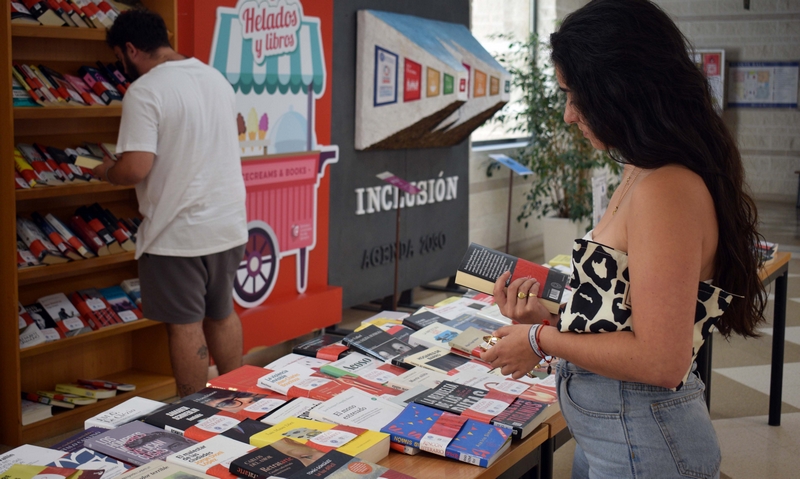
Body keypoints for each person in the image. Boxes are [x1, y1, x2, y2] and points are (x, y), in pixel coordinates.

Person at [480, 1, 766, 478]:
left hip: (644, 443)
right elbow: (630, 308)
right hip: (613, 432)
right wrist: (552, 316)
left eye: (576, 96)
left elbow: (660, 360)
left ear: (620, 89)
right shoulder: (641, 167)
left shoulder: (667, 189)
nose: (570, 115)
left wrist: (540, 339)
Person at [95, 9, 248, 397]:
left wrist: (107, 170)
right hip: (228, 223)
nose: (121, 66)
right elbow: (237, 127)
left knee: (184, 324)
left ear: (130, 48)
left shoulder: (145, 91)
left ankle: (194, 411)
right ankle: (241, 399)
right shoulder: (213, 77)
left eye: (118, 57)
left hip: (179, 233)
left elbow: (135, 168)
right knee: (222, 313)